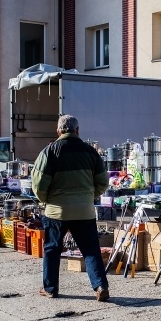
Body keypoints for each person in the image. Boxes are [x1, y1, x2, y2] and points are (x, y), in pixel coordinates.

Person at [31, 114, 110, 301]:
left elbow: (39, 185)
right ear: (78, 130)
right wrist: (89, 196)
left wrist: (47, 199)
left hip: (57, 211)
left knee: (52, 249)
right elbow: (103, 182)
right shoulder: (91, 152)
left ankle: (50, 288)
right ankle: (100, 286)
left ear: (58, 131)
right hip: (84, 210)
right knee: (90, 249)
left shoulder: (49, 152)